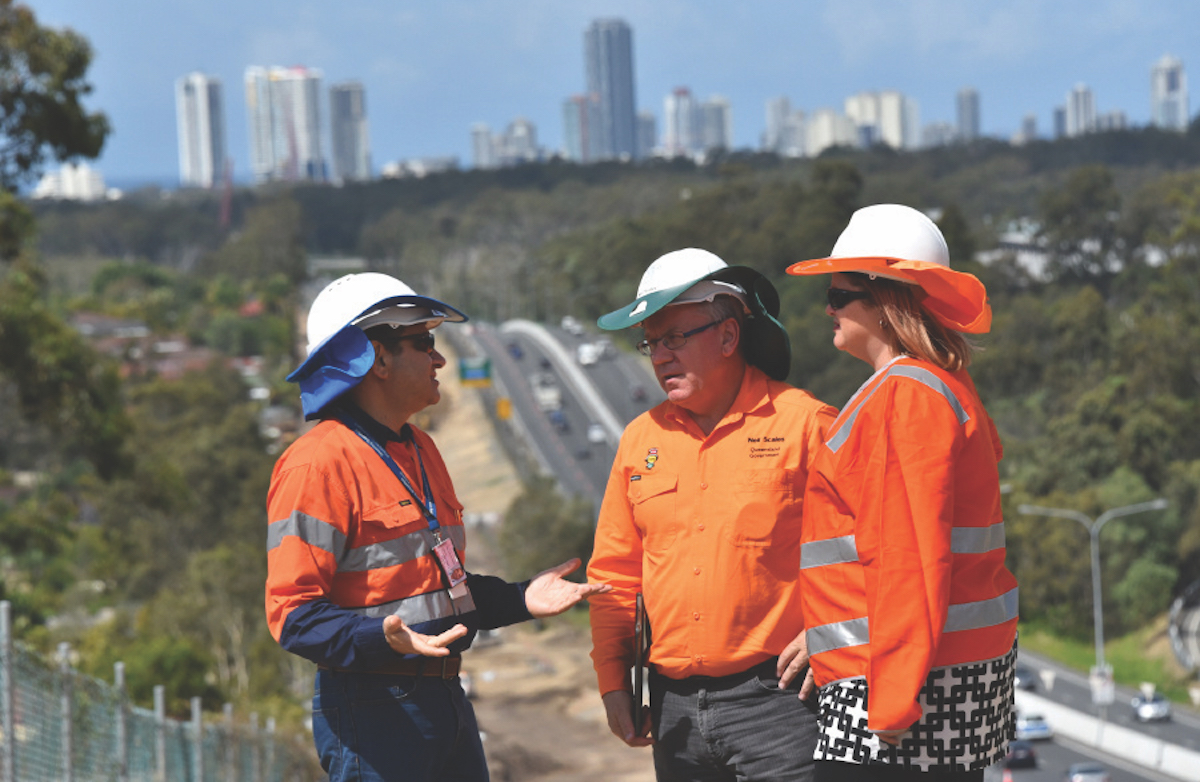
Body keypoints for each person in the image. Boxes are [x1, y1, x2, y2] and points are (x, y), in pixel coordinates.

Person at [265, 272, 609, 782]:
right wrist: (382, 639)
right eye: (423, 342)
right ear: (376, 358)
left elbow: (441, 591)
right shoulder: (316, 465)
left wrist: (521, 599)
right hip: (374, 707)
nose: (440, 358)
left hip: (444, 695)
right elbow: (292, 617)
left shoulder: (420, 451)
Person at [785, 204, 1018, 780]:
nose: (827, 308)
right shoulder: (933, 385)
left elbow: (908, 558)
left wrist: (891, 699)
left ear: (886, 303)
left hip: (902, 689)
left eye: (839, 295)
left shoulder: (905, 396)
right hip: (927, 675)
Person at [587, 248, 837, 782]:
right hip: (671, 706)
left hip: (781, 704)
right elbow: (613, 574)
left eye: (674, 338)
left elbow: (865, 550)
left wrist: (830, 633)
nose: (659, 356)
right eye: (651, 342)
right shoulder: (639, 440)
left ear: (728, 336)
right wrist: (614, 681)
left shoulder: (807, 425)